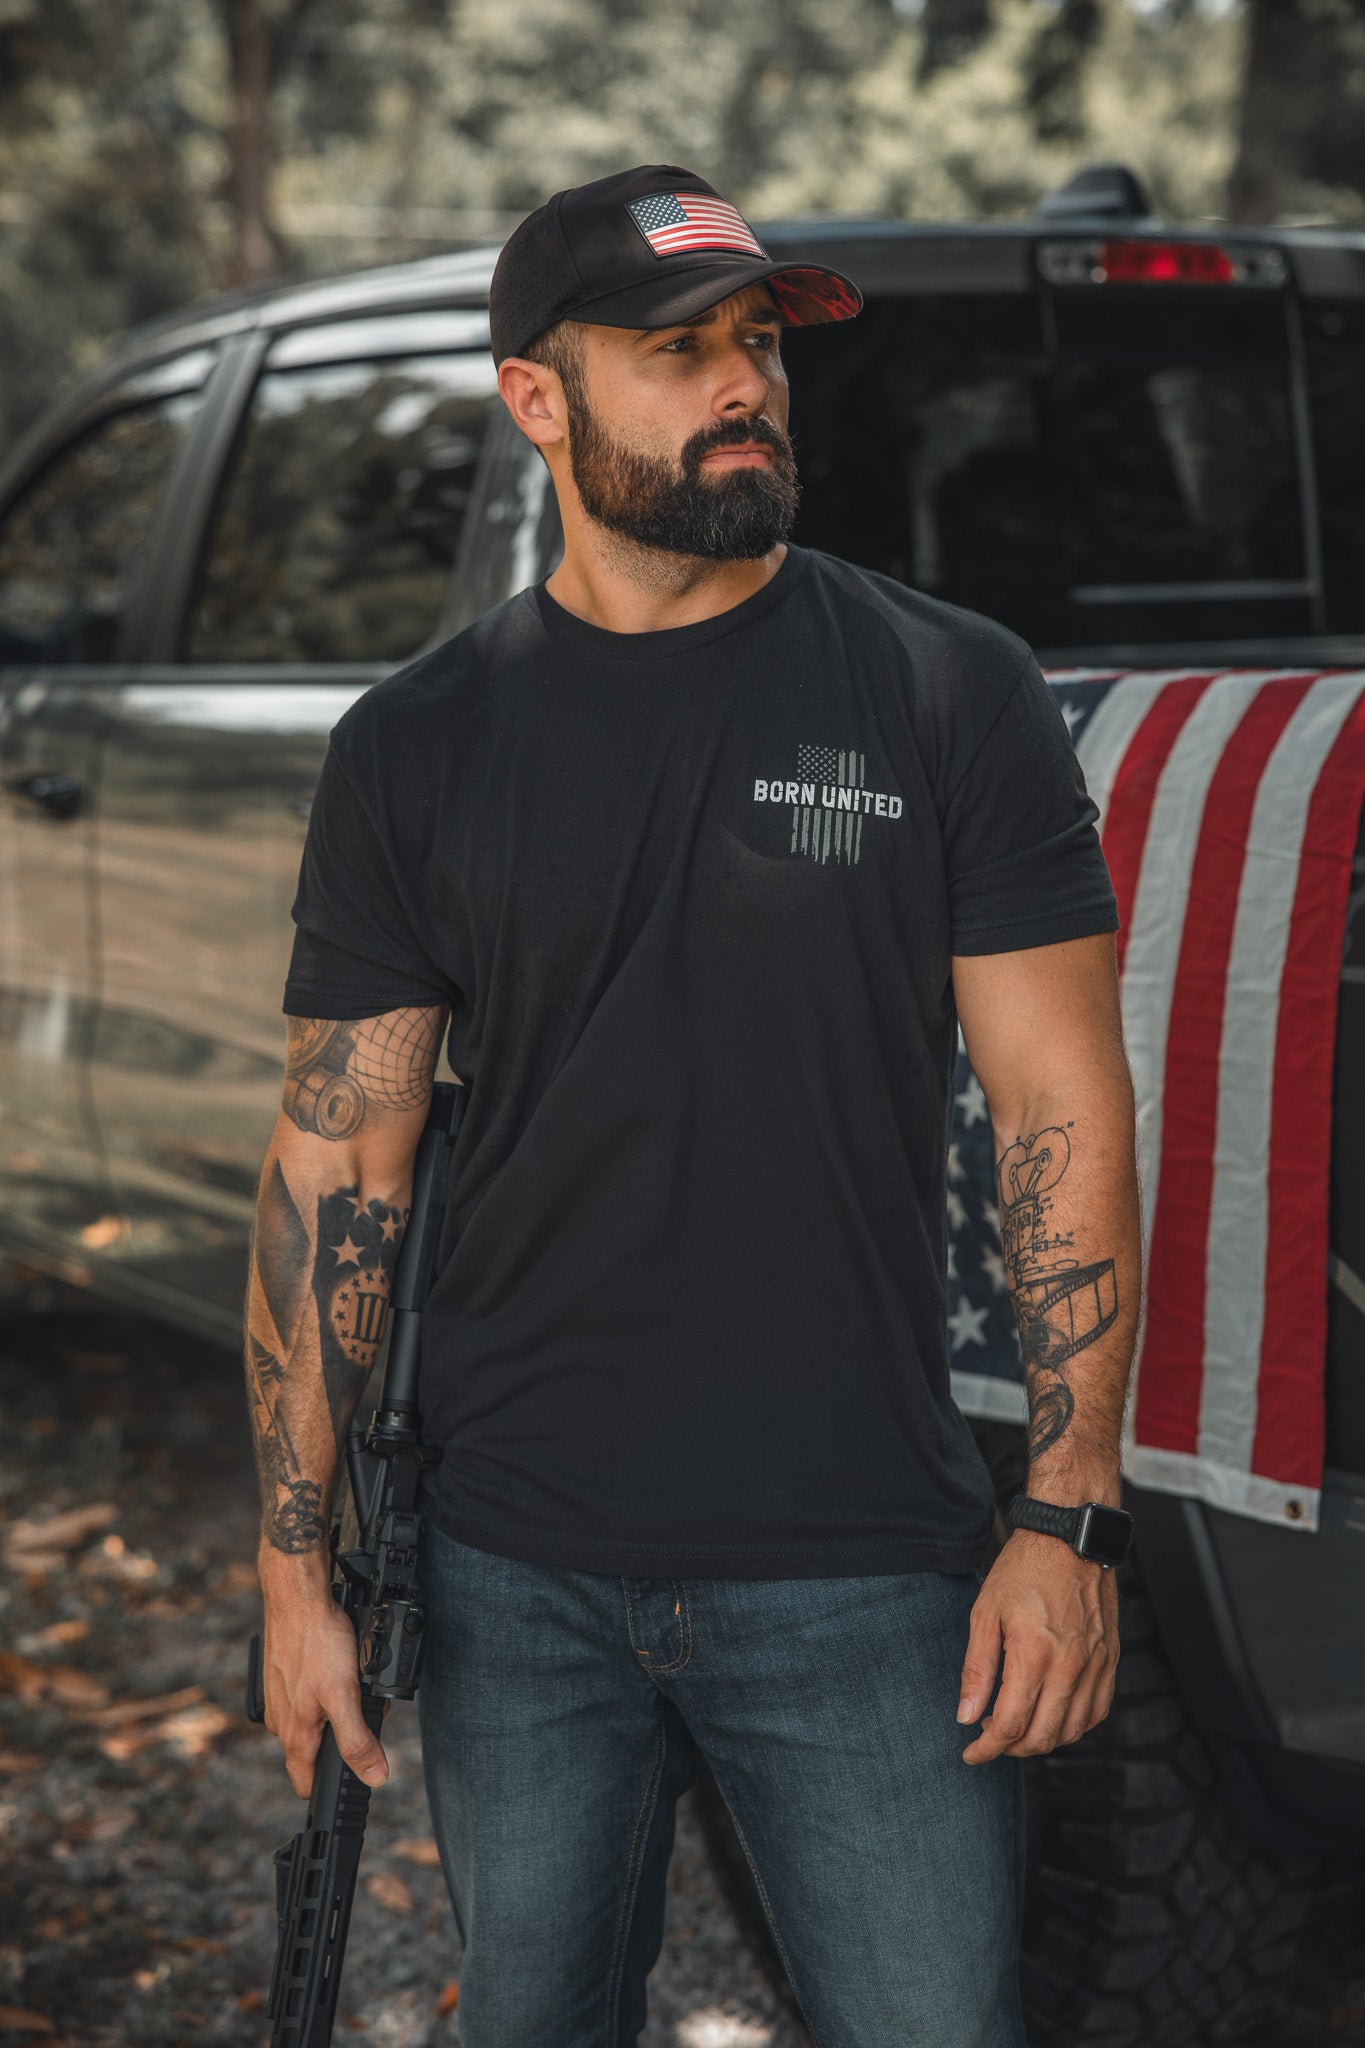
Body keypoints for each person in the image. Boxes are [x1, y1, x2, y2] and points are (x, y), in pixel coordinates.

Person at [245, 164, 1141, 2048]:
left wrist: (1065, 1522)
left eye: (756, 342)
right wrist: (290, 1564)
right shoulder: (417, 745)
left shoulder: (943, 689)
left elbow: (1056, 1107)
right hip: (509, 1568)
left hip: (866, 1567)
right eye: (677, 351)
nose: (743, 384)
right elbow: (342, 1158)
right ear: (537, 396)